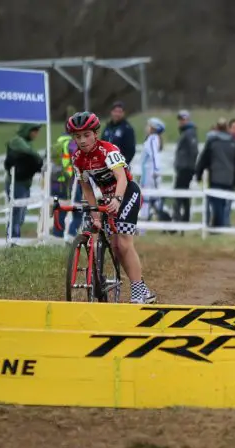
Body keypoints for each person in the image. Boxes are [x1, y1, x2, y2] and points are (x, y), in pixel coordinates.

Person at [67, 111, 156, 304]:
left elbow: (121, 177)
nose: (82, 140)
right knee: (115, 246)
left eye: (86, 135)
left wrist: (117, 198)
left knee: (123, 243)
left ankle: (139, 290)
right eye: (77, 136)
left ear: (96, 134)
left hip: (127, 192)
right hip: (107, 197)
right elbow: (86, 188)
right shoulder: (77, 159)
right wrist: (94, 213)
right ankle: (142, 288)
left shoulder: (108, 150)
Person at [195, 118, 235, 228]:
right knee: (224, 203)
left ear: (217, 128)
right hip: (229, 178)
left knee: (216, 203)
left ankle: (218, 226)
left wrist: (198, 175)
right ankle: (221, 225)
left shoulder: (212, 143)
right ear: (228, 128)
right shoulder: (234, 143)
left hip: (215, 178)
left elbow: (203, 160)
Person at [3, 123, 43, 239]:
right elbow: (30, 153)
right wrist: (38, 158)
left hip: (25, 184)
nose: (36, 134)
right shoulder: (17, 141)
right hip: (16, 184)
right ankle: (13, 240)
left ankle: (14, 239)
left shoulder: (26, 143)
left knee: (21, 215)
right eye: (34, 131)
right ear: (27, 130)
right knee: (16, 215)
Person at [172, 110, 199, 225]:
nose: (181, 122)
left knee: (179, 193)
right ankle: (184, 218)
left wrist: (189, 166)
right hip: (183, 167)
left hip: (185, 168)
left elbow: (194, 151)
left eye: (183, 119)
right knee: (184, 193)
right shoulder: (185, 133)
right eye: (180, 119)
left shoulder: (189, 133)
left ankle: (178, 218)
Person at [139, 117, 166, 221]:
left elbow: (154, 156)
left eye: (148, 126)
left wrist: (156, 170)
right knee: (154, 198)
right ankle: (163, 220)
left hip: (150, 173)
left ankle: (144, 222)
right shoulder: (153, 138)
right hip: (149, 172)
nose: (146, 128)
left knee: (146, 197)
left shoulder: (152, 138)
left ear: (153, 128)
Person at [101, 101, 137, 165]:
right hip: (106, 164)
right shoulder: (107, 127)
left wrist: (123, 164)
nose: (117, 114)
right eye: (115, 111)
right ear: (111, 112)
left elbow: (131, 150)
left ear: (123, 113)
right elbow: (101, 144)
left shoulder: (127, 128)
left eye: (120, 112)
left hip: (120, 164)